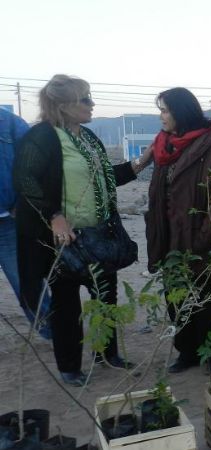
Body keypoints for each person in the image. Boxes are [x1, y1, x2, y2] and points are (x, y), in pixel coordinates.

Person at [13, 74, 152, 386]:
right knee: (65, 302)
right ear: (64, 105)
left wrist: (139, 164)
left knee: (106, 294)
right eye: (85, 99)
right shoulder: (43, 137)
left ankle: (107, 354)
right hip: (64, 238)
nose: (92, 104)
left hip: (98, 235)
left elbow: (104, 178)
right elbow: (25, 180)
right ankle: (70, 366)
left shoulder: (88, 139)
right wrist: (55, 216)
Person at [145, 88, 211, 374]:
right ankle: (188, 351)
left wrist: (206, 235)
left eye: (165, 110)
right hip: (168, 233)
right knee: (176, 296)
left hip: (199, 233)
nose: (161, 116)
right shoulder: (163, 144)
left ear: (181, 111)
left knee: (208, 296)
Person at [0, 108, 52, 339]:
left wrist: (22, 201)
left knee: (26, 283)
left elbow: (33, 164)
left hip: (7, 223)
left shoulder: (8, 122)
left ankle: (52, 332)